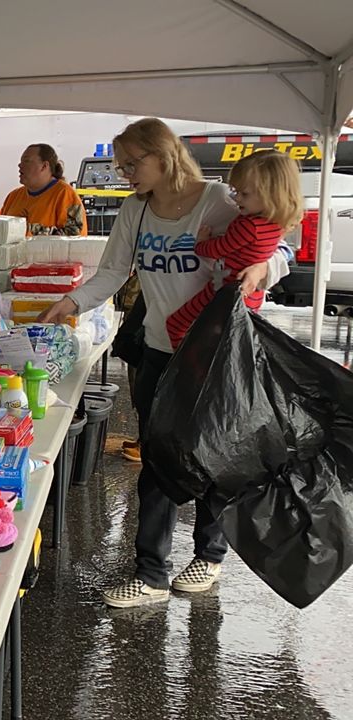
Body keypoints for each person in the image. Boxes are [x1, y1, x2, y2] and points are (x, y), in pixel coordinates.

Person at [38, 118, 291, 608]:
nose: (125, 173)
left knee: (214, 455)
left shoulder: (218, 200)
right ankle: (151, 572)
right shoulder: (136, 210)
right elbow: (112, 272)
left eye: (134, 163)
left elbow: (277, 240)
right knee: (156, 460)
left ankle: (209, 555)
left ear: (165, 155)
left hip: (215, 352)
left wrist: (264, 267)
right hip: (157, 347)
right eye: (122, 164)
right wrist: (70, 303)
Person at [166, 149, 302, 348]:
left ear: (271, 194)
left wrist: (200, 243)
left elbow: (216, 250)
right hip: (251, 297)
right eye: (235, 191)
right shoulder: (277, 224)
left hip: (223, 290)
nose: (237, 199)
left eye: (244, 194)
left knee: (176, 324)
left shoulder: (248, 226)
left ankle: (184, 364)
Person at [1, 144, 87, 236]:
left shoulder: (65, 195)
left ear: (44, 166)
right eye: (20, 161)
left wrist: (29, 229)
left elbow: (75, 236)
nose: (20, 165)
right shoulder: (13, 197)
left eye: (26, 161)